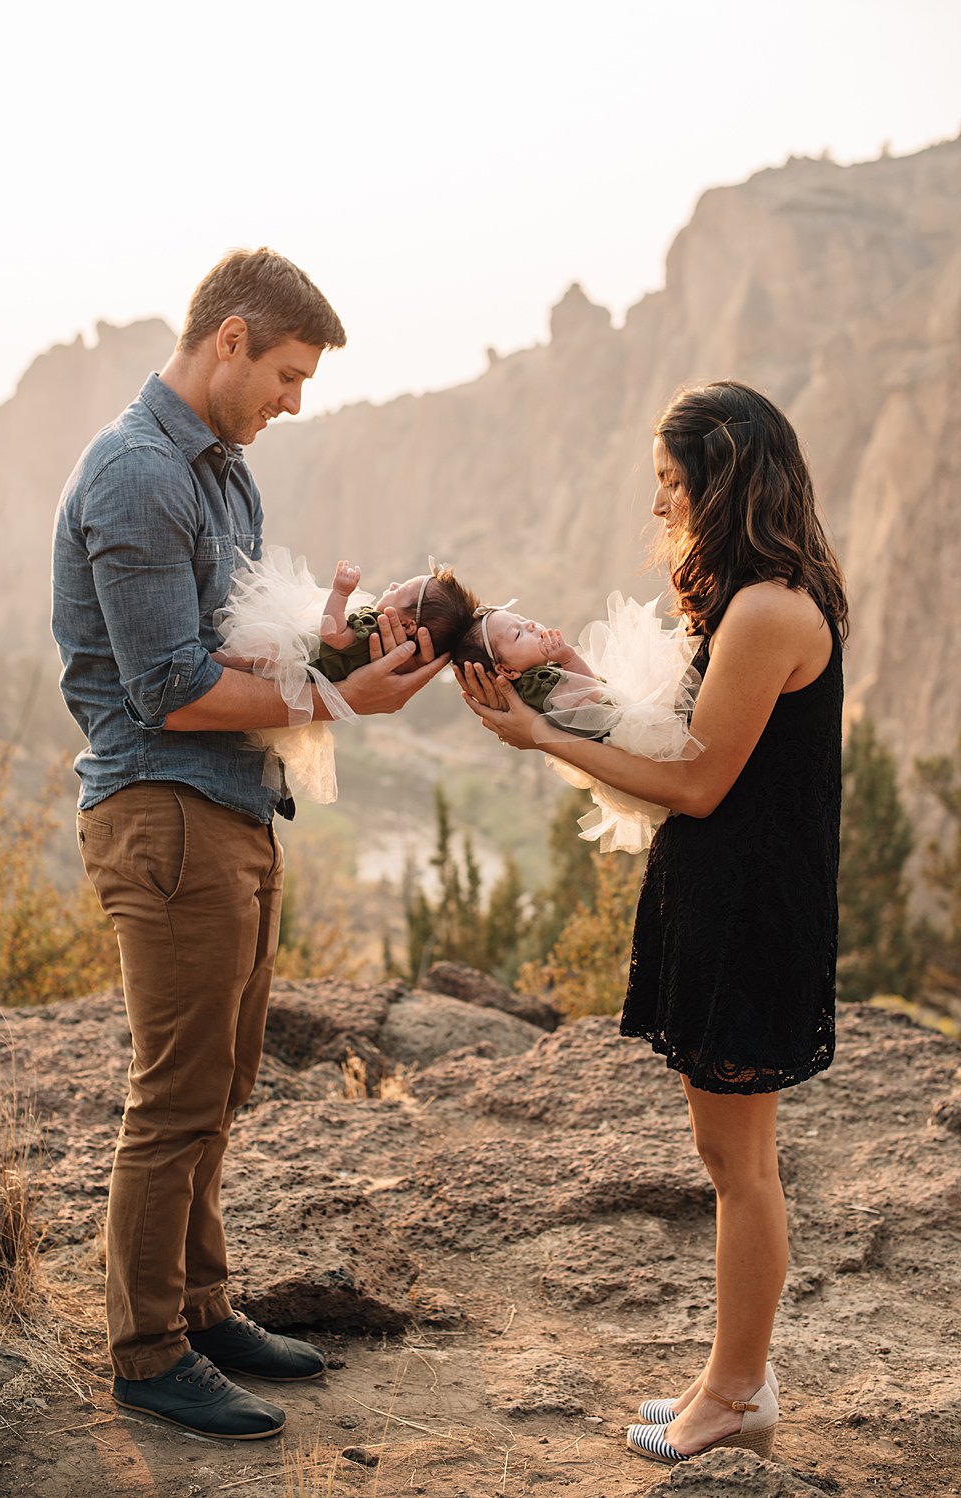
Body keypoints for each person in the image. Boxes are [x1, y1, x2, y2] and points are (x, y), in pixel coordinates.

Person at [51, 247, 446, 1442]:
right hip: (162, 809)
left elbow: (223, 653)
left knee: (220, 1086)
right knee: (173, 1095)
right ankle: (146, 1353)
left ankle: (203, 1307)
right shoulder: (134, 476)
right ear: (227, 339)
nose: (293, 399)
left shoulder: (225, 481)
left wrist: (327, 650)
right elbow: (167, 688)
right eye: (283, 372)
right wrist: (336, 703)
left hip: (232, 806)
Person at [457, 380, 846, 1466]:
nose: (662, 504)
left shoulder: (769, 611)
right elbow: (671, 736)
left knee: (738, 1167)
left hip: (747, 908)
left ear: (723, 482)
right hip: (721, 896)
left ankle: (733, 1396)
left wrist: (537, 741)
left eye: (675, 484)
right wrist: (551, 687)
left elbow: (700, 781)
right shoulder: (751, 599)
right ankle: (732, 1382)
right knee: (732, 1160)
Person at [214, 553, 477, 801]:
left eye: (399, 590)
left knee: (257, 654)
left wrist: (340, 593)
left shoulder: (372, 625)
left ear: (408, 625)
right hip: (307, 675)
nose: (393, 584)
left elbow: (331, 632)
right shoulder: (386, 653)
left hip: (299, 659)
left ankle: (211, 663)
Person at [453, 595, 703, 853]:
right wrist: (568, 657)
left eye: (523, 620)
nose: (529, 625)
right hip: (624, 733)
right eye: (517, 634)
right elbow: (592, 694)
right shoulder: (540, 682)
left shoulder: (532, 687)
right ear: (507, 671)